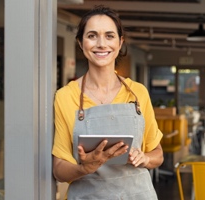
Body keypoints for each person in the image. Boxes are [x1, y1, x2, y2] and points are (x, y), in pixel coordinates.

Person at [51, 5, 163, 200]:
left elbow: (157, 153)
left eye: (109, 36)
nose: (101, 44)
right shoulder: (66, 96)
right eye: (92, 36)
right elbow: (59, 169)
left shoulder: (138, 93)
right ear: (80, 42)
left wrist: (144, 158)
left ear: (120, 43)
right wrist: (84, 167)